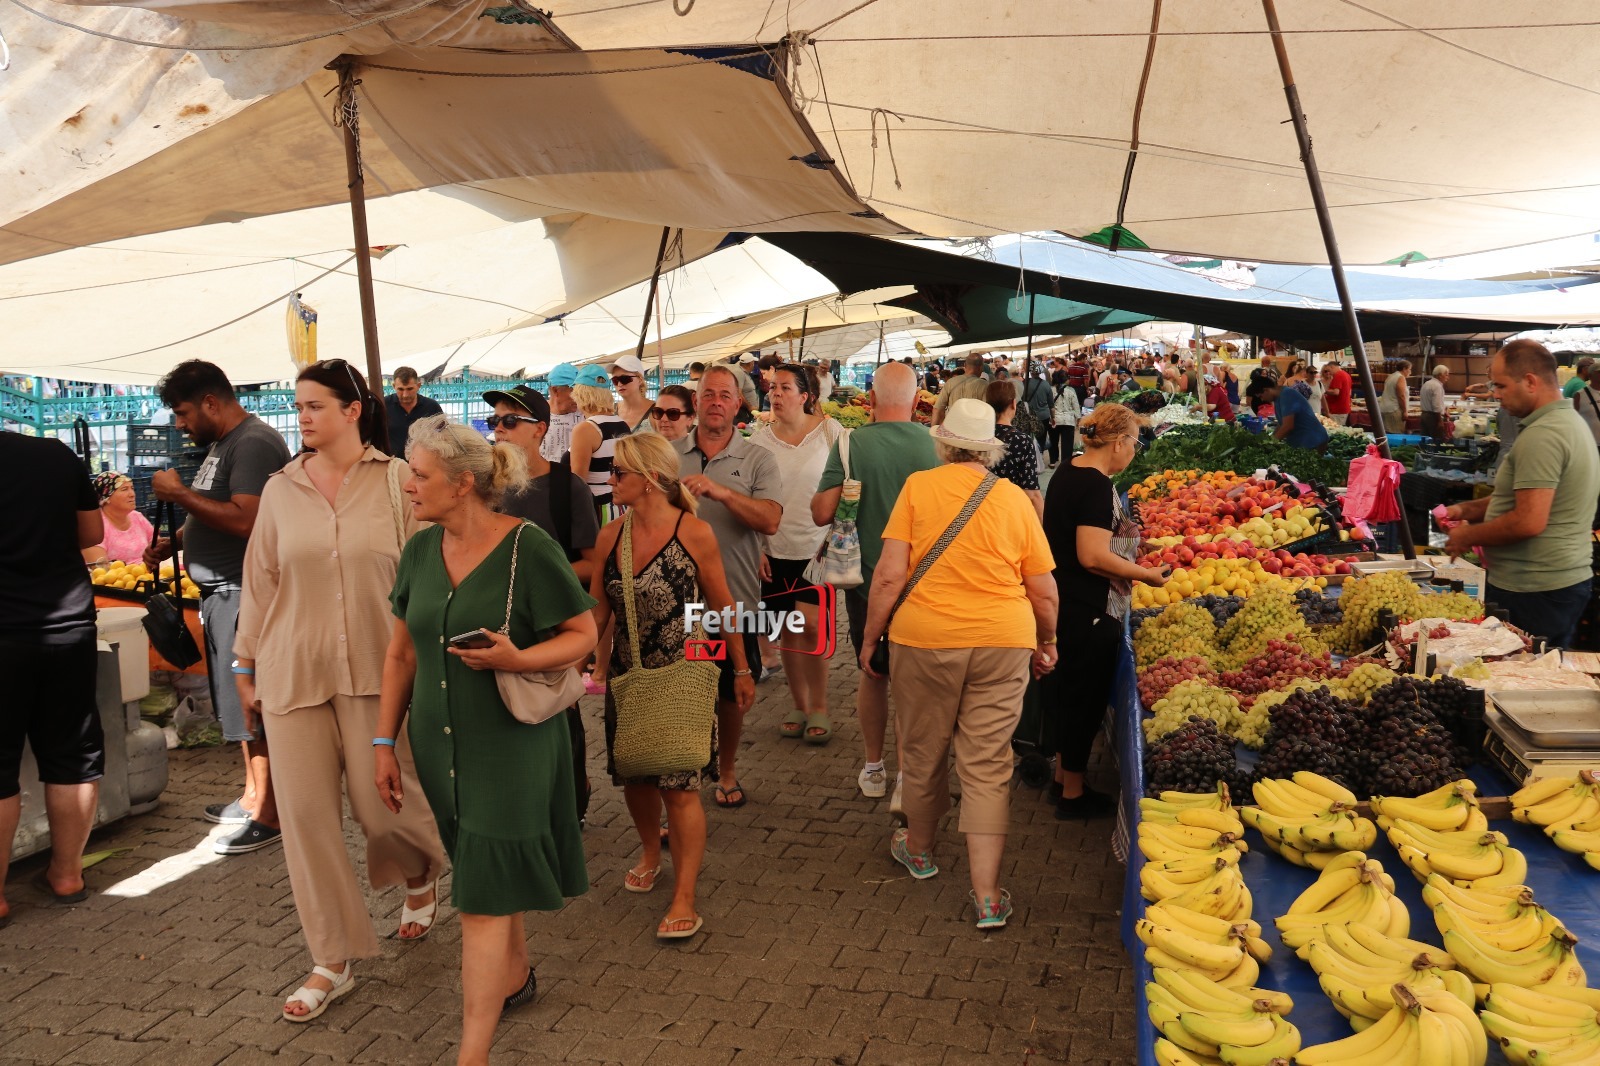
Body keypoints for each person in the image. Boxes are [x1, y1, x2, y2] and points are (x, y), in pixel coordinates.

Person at [375, 416, 596, 1065]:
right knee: (486, 876)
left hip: (512, 751)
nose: (409, 487)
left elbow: (581, 634)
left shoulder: (527, 548)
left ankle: (471, 1054)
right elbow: (399, 657)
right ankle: (518, 972)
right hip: (441, 753)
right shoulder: (419, 551)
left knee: (478, 897)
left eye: (419, 475)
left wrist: (516, 660)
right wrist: (381, 744)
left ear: (462, 483)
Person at [234, 360, 447, 1023]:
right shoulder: (279, 489)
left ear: (353, 410)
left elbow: (430, 575)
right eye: (296, 406)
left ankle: (420, 871)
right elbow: (261, 578)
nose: (300, 417)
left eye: (314, 405)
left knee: (381, 807)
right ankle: (332, 958)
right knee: (305, 821)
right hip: (291, 669)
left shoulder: (398, 484)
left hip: (377, 672)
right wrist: (245, 662)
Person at [857, 398, 1058, 930]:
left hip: (925, 641)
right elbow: (1043, 590)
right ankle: (988, 895)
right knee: (989, 764)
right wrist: (1048, 641)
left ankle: (919, 851)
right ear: (990, 449)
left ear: (942, 442)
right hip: (1004, 641)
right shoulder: (1015, 499)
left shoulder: (919, 488)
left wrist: (870, 637)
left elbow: (887, 577)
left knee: (923, 750)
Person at [588, 434, 753, 940]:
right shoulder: (610, 535)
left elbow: (721, 605)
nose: (609, 480)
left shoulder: (694, 531)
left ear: (651, 479)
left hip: (685, 669)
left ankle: (685, 895)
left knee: (679, 786)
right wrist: (582, 662)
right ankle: (648, 849)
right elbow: (599, 611)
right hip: (629, 673)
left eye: (618, 472)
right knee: (636, 775)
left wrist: (740, 669)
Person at [146, 359, 291, 854]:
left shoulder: (252, 443)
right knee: (238, 704)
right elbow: (219, 507)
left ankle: (271, 815)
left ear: (212, 402)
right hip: (223, 593)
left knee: (253, 703)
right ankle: (253, 796)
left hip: (243, 594)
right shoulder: (224, 445)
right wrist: (178, 542)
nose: (180, 424)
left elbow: (247, 519)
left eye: (184, 413)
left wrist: (179, 494)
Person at [812, 363, 938, 800]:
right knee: (914, 683)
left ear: (871, 398)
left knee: (872, 673)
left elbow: (821, 513)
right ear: (917, 397)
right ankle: (907, 775)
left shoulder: (851, 443)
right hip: (925, 582)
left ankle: (873, 767)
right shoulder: (937, 444)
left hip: (866, 579)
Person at [1042, 403, 1169, 818]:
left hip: (1066, 602)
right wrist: (1144, 574)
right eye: (1135, 441)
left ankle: (1063, 779)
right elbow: (1092, 555)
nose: (1135, 450)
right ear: (1118, 442)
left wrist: (1130, 549)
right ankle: (1073, 797)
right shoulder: (1095, 486)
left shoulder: (1069, 470)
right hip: (1088, 608)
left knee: (1067, 694)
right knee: (1084, 699)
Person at [0, 431, 105, 919]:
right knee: (72, 754)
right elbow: (91, 535)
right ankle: (67, 876)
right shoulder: (54, 454)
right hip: (66, 625)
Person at [486, 382, 601, 824]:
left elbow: (591, 565)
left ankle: (571, 810)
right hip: (496, 630)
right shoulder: (482, 488)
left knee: (559, 722)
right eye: (494, 422)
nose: (500, 430)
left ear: (541, 430)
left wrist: (530, 578)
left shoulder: (564, 487)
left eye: (511, 422)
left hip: (553, 632)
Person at [674, 366, 782, 808]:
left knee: (731, 691)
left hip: (732, 603)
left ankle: (727, 767)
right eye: (708, 393)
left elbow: (770, 520)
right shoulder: (667, 453)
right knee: (681, 693)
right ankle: (678, 781)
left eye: (725, 395)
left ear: (738, 405)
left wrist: (722, 494)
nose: (716, 401)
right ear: (696, 402)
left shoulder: (758, 459)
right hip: (676, 601)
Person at [1444, 340, 1600, 647]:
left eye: (1500, 385)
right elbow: (1525, 497)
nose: (1496, 394)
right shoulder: (1568, 422)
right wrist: (1467, 510)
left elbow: (1528, 521)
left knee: (1524, 675)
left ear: (1530, 381)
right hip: (1555, 583)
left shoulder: (1544, 435)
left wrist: (1467, 536)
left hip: (1535, 589)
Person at [748, 363, 844, 743]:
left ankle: (819, 705)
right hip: (775, 548)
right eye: (772, 388)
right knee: (788, 627)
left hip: (817, 548)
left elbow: (850, 483)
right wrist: (756, 548)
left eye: (785, 388)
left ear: (805, 396)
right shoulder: (758, 441)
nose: (775, 394)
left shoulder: (831, 433)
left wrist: (839, 533)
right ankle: (799, 704)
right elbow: (751, 500)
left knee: (813, 626)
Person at [567, 365, 630, 520]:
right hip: (619, 508)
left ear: (581, 394)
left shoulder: (586, 429)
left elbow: (578, 482)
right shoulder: (622, 424)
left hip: (595, 510)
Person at [986, 380, 1044, 521]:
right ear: (1013, 404)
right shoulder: (1022, 441)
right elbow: (1032, 494)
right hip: (1010, 515)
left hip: (982, 512)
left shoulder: (979, 436)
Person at [82, 471, 154, 564]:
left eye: (132, 488)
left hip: (147, 575)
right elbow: (100, 569)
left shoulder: (137, 517)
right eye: (124, 489)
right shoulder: (96, 526)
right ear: (106, 498)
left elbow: (158, 546)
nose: (132, 494)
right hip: (118, 577)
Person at [1246, 376, 1329, 451]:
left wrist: (1270, 446)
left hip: (1313, 441)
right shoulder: (1278, 398)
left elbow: (1288, 426)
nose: (1262, 400)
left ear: (1266, 390)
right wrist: (1270, 440)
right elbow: (1281, 423)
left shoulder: (1287, 395)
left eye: (1261, 396)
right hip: (1303, 442)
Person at [384, 366, 444, 458]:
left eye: (409, 389)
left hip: (424, 464)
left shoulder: (432, 406)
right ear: (393, 386)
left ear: (418, 386)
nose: (405, 395)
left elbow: (443, 435)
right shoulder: (384, 405)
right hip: (392, 465)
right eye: (400, 389)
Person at [540, 363, 584, 464]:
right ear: (555, 390)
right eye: (574, 391)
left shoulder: (585, 415)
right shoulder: (536, 415)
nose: (579, 397)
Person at [931, 355, 990, 425]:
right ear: (981, 367)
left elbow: (937, 409)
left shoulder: (951, 382)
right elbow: (987, 412)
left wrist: (934, 429)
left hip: (952, 427)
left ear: (964, 365)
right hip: (973, 430)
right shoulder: (985, 385)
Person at [609, 354, 653, 434]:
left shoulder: (657, 411)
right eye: (615, 380)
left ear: (640, 380)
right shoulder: (611, 411)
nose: (619, 384)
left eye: (625, 379)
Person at [1048, 368, 1081, 465]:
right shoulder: (1071, 390)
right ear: (1066, 379)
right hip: (1068, 420)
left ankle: (1053, 461)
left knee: (1053, 441)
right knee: (1067, 444)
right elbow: (1076, 406)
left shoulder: (1051, 390)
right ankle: (1065, 463)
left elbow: (1049, 405)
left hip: (1054, 419)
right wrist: (1078, 419)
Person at [1379, 359, 1411, 435]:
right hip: (1394, 410)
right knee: (1397, 434)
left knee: (1387, 434)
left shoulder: (1391, 376)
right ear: (1404, 369)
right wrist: (1404, 411)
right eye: (1409, 369)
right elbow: (1401, 396)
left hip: (1385, 408)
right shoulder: (1400, 377)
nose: (1410, 372)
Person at [1421, 365, 1451, 441]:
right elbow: (1436, 406)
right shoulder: (1437, 386)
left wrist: (1444, 412)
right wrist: (1440, 421)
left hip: (1424, 415)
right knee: (1436, 440)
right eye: (1446, 375)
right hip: (1433, 417)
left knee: (1425, 440)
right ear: (1440, 375)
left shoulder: (1427, 383)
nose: (1448, 378)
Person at [1574, 362, 1600, 446]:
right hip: (1590, 443)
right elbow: (1574, 419)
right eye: (1599, 372)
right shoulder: (1580, 395)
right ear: (1590, 375)